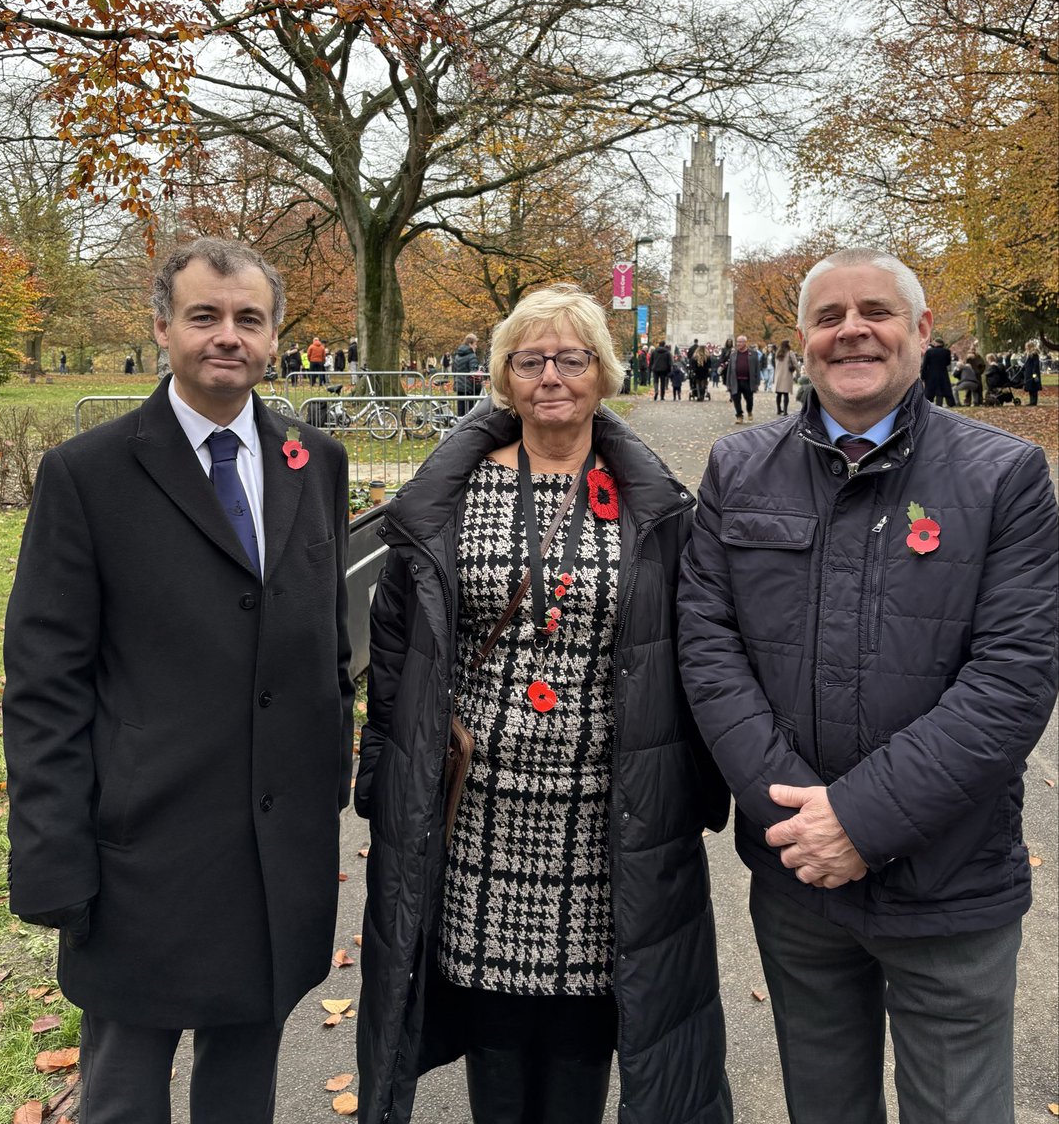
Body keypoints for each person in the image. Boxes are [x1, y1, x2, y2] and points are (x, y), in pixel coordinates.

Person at [678, 248, 1058, 1124]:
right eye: (828, 315)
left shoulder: (1002, 478)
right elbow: (708, 650)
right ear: (803, 343)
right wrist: (799, 823)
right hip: (799, 883)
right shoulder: (739, 470)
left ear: (921, 332)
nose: (852, 329)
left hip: (949, 885)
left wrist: (859, 820)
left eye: (876, 311)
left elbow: (1010, 679)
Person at [356, 284, 732, 1124]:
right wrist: (384, 769)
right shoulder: (449, 498)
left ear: (603, 373)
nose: (551, 376)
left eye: (572, 359)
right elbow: (394, 648)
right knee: (494, 1027)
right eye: (530, 361)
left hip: (607, 816)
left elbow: (697, 651)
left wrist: (701, 786)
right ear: (504, 378)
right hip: (480, 812)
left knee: (580, 1033)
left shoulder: (655, 505)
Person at [3, 237, 354, 1124]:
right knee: (123, 1094)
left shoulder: (315, 462)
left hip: (273, 851)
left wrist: (328, 782)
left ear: (276, 336)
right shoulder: (88, 473)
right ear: (162, 326)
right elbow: (45, 681)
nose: (225, 336)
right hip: (140, 851)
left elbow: (322, 642)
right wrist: (50, 855)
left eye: (248, 318)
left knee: (241, 1089)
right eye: (204, 317)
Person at [725, 334, 760, 423]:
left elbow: (757, 369)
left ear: (745, 343)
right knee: (736, 399)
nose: (738, 344)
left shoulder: (753, 354)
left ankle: (749, 411)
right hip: (736, 381)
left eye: (740, 342)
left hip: (748, 381)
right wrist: (728, 383)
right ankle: (739, 416)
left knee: (749, 399)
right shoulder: (733, 355)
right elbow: (729, 370)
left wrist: (757, 383)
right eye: (737, 342)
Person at [919, 333, 954, 405]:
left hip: (931, 374)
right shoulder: (946, 352)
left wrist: (923, 376)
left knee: (929, 391)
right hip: (943, 373)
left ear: (937, 343)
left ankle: (928, 404)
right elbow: (948, 363)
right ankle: (946, 404)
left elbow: (925, 365)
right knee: (942, 390)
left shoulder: (929, 352)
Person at [452, 331, 481, 417]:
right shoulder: (472, 356)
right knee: (470, 412)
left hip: (459, 386)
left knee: (461, 411)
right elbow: (474, 373)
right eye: (475, 344)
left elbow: (454, 370)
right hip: (469, 388)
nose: (476, 346)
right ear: (470, 344)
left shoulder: (457, 355)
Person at [772, 338, 798, 416]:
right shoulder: (790, 353)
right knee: (786, 394)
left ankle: (779, 410)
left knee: (779, 394)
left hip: (778, 376)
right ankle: (785, 411)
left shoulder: (777, 353)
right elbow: (795, 363)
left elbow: (774, 364)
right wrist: (798, 372)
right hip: (786, 376)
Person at [1020, 339, 1042, 406]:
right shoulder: (1028, 354)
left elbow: (1036, 364)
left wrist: (1034, 373)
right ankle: (1031, 401)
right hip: (1028, 373)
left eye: (1027, 346)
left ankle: (1033, 402)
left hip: (1033, 373)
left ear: (1030, 347)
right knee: (1030, 387)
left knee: (1034, 387)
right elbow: (1027, 363)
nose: (1026, 348)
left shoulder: (1034, 354)